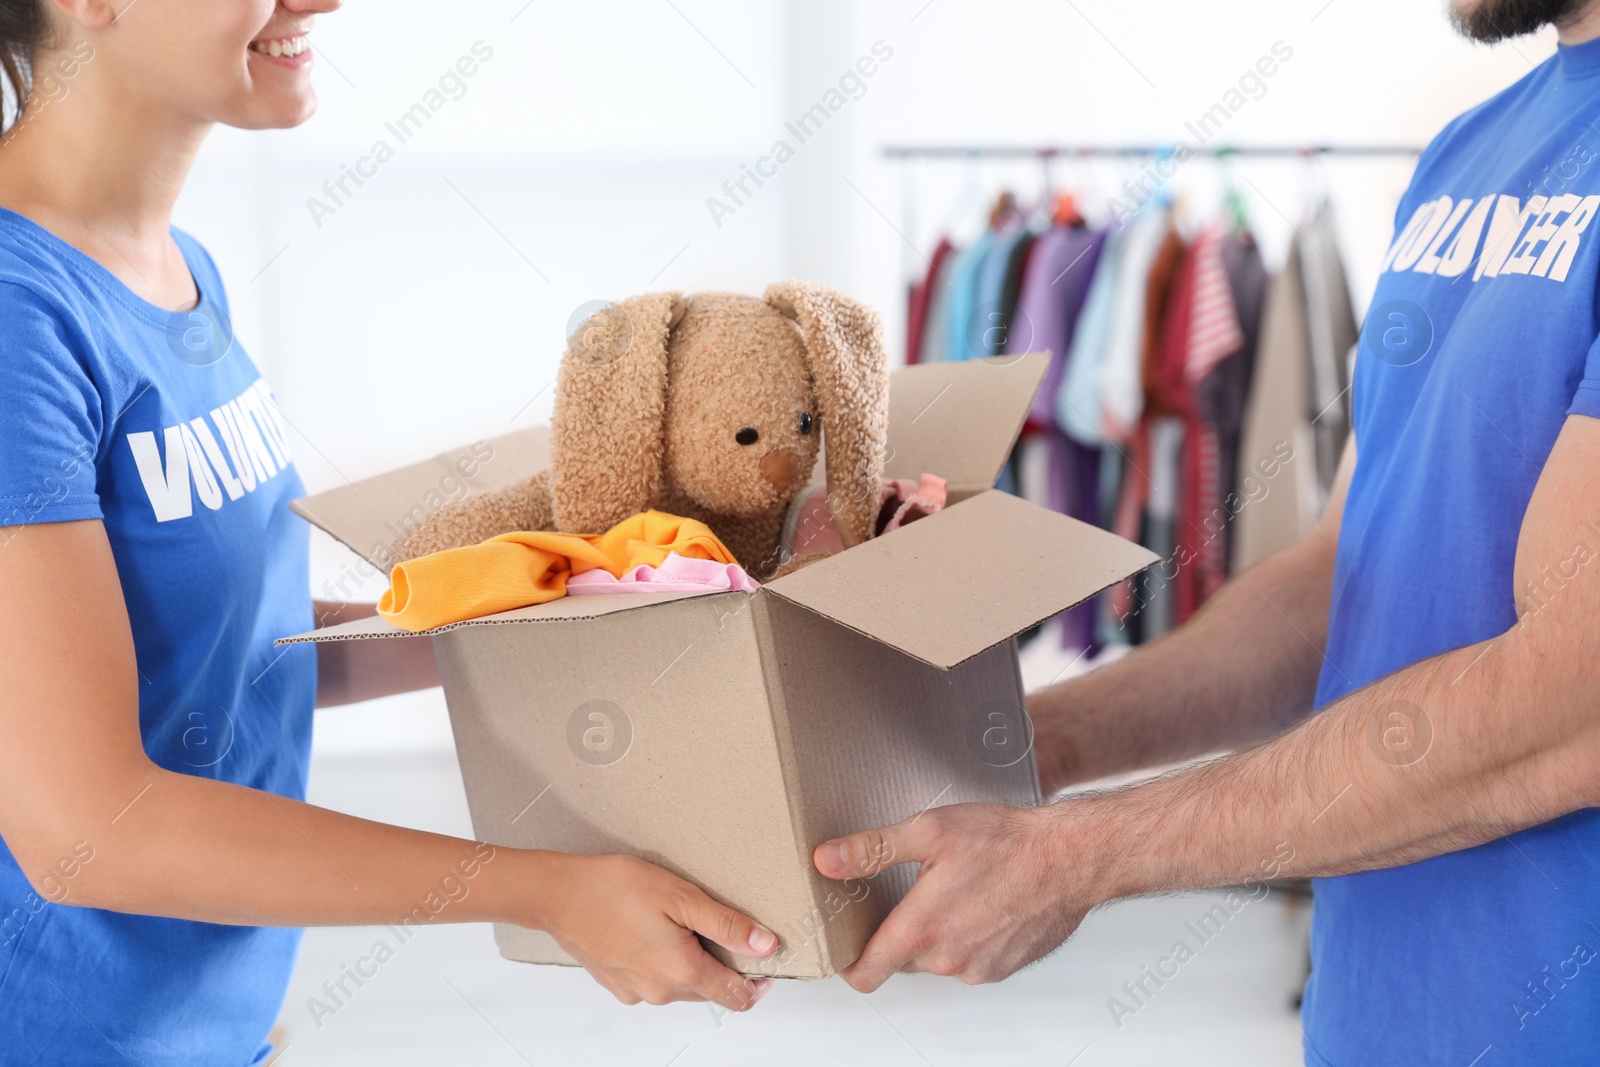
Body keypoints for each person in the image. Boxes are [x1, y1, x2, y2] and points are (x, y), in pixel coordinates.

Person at [814, 0, 1600, 1062]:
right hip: (1377, 1021)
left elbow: (1570, 704)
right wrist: (1023, 752)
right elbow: (1339, 581)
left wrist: (1076, 854)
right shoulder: (1467, 153)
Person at [0, 1, 778, 1061]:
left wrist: (603, 602)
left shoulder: (179, 273)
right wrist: (548, 889)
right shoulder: (17, 316)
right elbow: (90, 830)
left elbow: (233, 662)